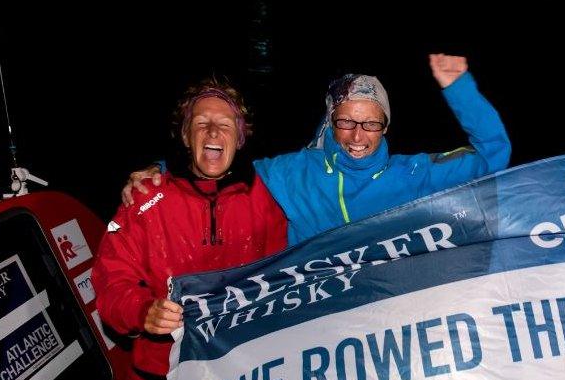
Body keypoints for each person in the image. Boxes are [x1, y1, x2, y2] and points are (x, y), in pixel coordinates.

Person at [92, 78, 287, 380]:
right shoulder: (144, 199)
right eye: (201, 124)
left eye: (225, 124)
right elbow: (110, 283)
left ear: (242, 136)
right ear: (185, 136)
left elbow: (284, 278)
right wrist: (143, 311)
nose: (212, 132)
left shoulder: (269, 198)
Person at [123, 54, 511, 244]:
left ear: (385, 126)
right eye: (346, 122)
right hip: (311, 327)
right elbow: (219, 168)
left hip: (385, 316)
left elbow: (493, 156)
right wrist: (160, 170)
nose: (358, 136)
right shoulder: (295, 173)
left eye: (370, 124)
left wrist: (459, 87)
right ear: (331, 121)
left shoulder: (412, 174)